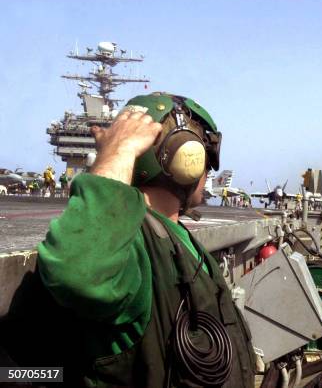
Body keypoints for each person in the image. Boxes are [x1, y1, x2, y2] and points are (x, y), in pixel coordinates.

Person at [37, 92, 256, 387]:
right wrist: (119, 152)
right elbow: (77, 272)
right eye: (207, 156)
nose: (208, 170)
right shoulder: (135, 245)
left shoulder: (174, 236)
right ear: (186, 158)